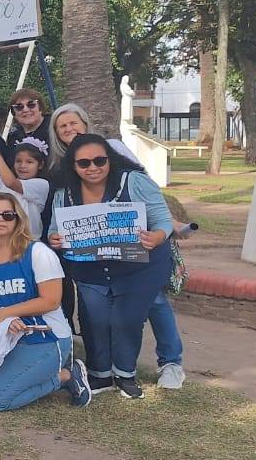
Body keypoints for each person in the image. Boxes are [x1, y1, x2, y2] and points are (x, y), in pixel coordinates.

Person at [46, 104, 186, 389]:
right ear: (73, 165)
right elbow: (54, 228)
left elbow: (161, 217)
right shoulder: (64, 191)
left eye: (100, 161)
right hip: (92, 268)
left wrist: (159, 235)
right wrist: (55, 238)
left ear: (110, 158)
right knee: (94, 319)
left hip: (141, 265)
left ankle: (150, 368)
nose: (92, 167)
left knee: (133, 316)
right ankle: (100, 374)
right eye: (84, 163)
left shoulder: (132, 180)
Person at [0, 193, 92, 411]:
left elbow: (51, 301)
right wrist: (0, 318)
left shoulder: (38, 252)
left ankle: (65, 376)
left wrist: (4, 314)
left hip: (45, 336)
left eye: (8, 215)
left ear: (18, 219)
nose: (0, 219)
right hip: (8, 331)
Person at [0, 136, 50, 237]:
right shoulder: (3, 181)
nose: (22, 166)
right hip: (3, 240)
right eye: (18, 161)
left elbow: (10, 183)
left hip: (27, 241)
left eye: (29, 162)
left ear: (40, 165)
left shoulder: (41, 184)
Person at [4, 88, 51, 154]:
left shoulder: (55, 128)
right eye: (19, 107)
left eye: (31, 105)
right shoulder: (13, 136)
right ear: (13, 112)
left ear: (40, 107)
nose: (25, 110)